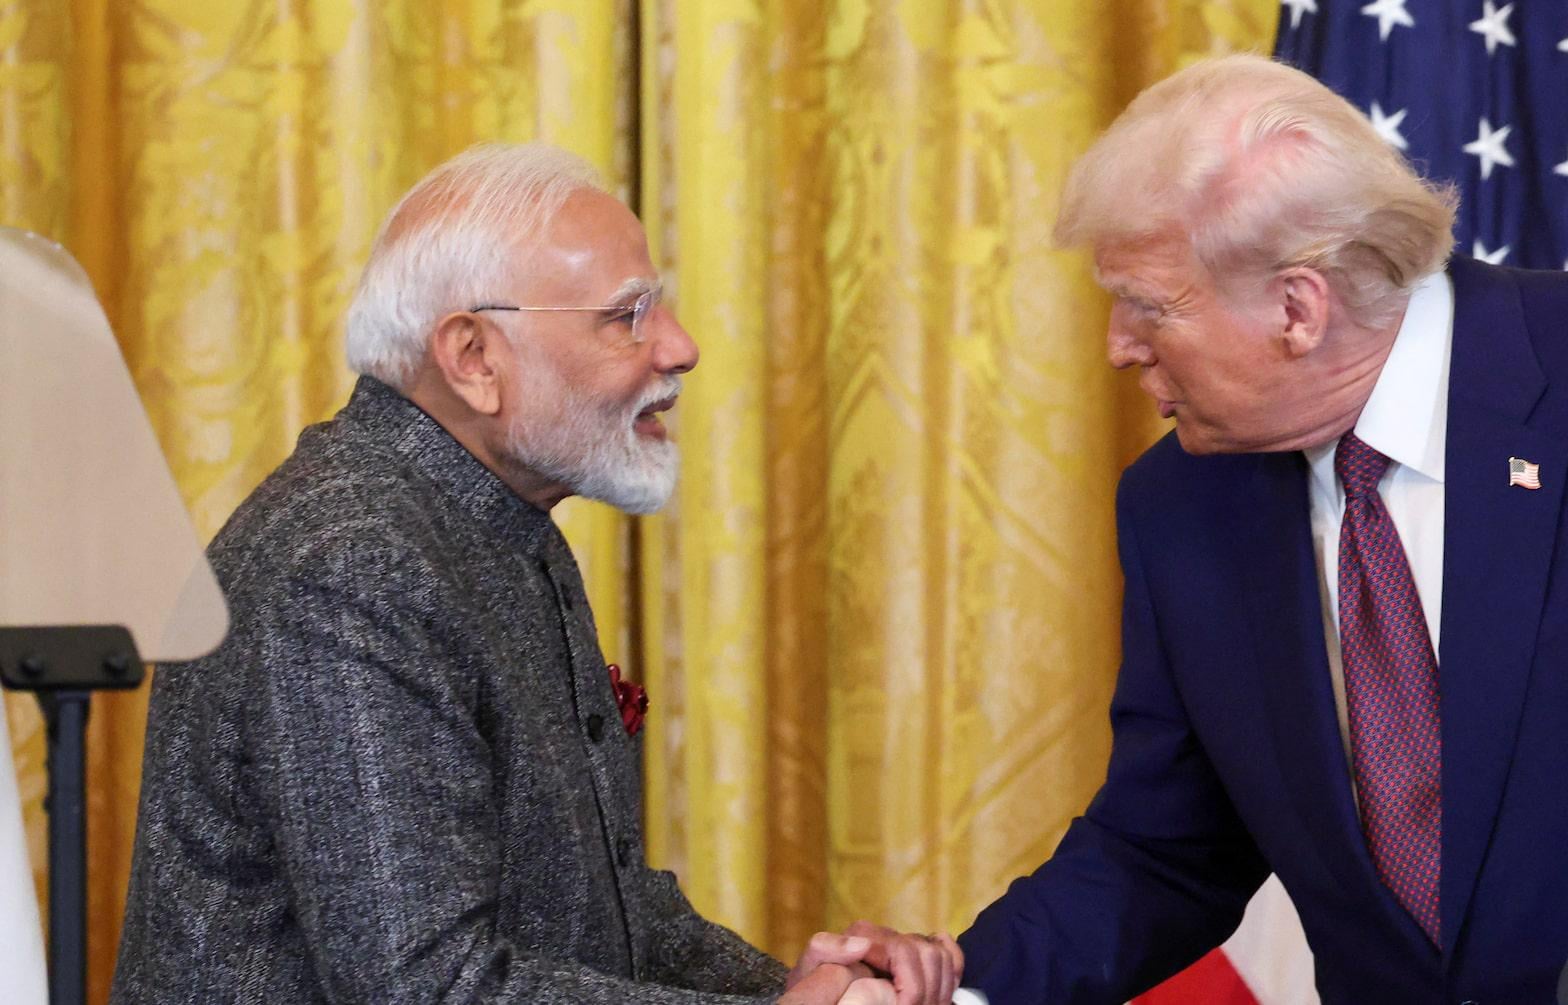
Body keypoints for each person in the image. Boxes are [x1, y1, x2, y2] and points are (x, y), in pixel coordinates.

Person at [950, 54, 1568, 1003]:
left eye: (1147, 308)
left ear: (1297, 307)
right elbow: (1165, 848)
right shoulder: (1182, 505)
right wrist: (958, 988)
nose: (1119, 348)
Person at [112, 144, 961, 1005]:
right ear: (474, 357)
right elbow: (423, 988)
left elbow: (618, 915)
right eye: (628, 315)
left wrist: (798, 987)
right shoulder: (351, 564)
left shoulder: (493, 521)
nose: (681, 347)